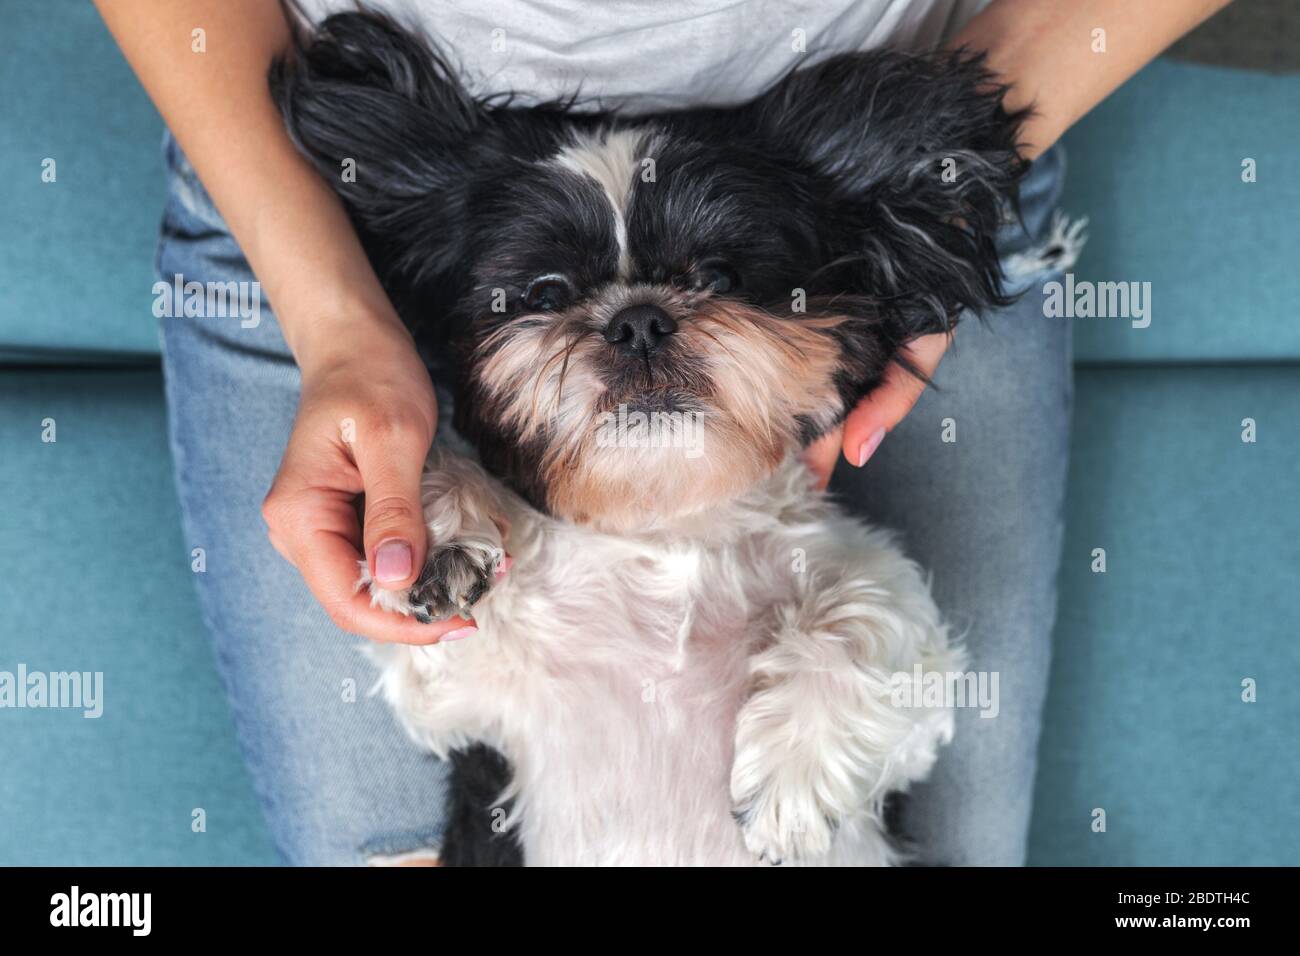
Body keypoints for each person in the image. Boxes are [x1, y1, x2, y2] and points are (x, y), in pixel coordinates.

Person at [97, 0, 1231, 865]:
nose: (642, 332)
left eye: (706, 287)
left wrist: (931, 201)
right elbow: (443, 685)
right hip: (344, 198)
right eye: (579, 310)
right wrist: (340, 321)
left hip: (882, 153)